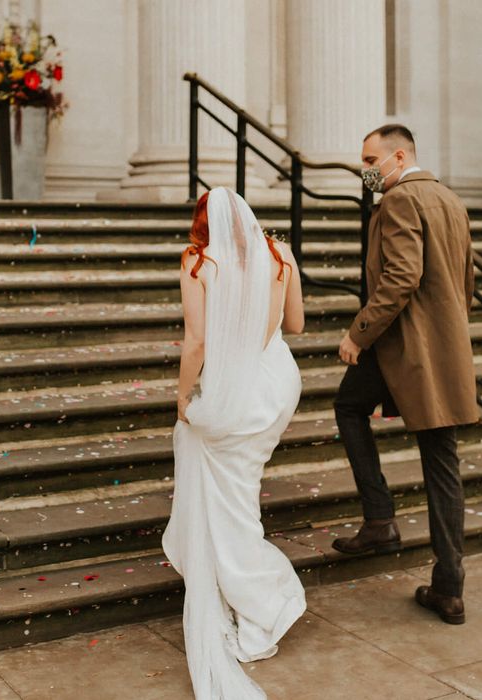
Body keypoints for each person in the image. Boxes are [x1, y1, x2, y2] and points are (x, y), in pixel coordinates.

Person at [162, 186, 306, 699]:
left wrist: (182, 398)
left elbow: (198, 342)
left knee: (226, 500)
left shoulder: (199, 262)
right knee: (239, 493)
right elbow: (296, 324)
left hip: (231, 392)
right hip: (276, 386)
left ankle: (268, 599)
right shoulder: (280, 253)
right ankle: (259, 597)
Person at [333, 124, 478, 625]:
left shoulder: (398, 201)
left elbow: (401, 277)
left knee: (348, 408)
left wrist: (359, 333)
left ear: (399, 156)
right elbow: (466, 280)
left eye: (371, 160)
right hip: (442, 347)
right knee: (442, 463)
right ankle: (449, 587)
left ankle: (379, 519)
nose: (366, 169)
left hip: (402, 344)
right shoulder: (449, 198)